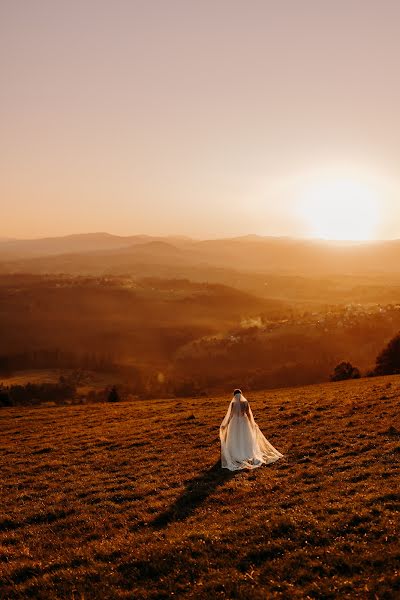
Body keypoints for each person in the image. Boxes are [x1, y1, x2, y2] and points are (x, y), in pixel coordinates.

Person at [220, 389, 283, 471]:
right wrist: (252, 423)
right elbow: (249, 414)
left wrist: (226, 424)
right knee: (246, 436)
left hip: (234, 422)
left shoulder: (233, 404)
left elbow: (231, 415)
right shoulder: (245, 402)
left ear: (234, 396)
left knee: (235, 437)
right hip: (244, 421)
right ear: (241, 394)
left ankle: (235, 452)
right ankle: (247, 451)